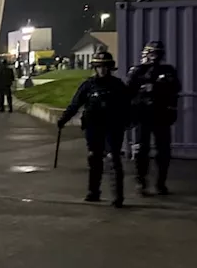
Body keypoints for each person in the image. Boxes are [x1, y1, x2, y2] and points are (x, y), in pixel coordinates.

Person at [58, 50, 131, 208]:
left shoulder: (118, 85)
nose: (102, 70)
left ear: (110, 68)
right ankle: (93, 191)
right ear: (95, 68)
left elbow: (128, 106)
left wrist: (127, 122)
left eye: (105, 67)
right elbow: (75, 104)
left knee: (114, 159)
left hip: (113, 127)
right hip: (94, 127)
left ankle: (118, 196)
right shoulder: (88, 85)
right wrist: (64, 119)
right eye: (99, 66)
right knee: (94, 158)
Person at [126, 40, 181, 196]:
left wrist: (157, 87)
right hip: (143, 115)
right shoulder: (137, 71)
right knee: (142, 150)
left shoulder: (168, 70)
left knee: (163, 151)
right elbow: (129, 91)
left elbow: (176, 88)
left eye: (156, 53)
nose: (153, 57)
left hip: (161, 115)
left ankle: (161, 183)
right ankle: (141, 182)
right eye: (151, 53)